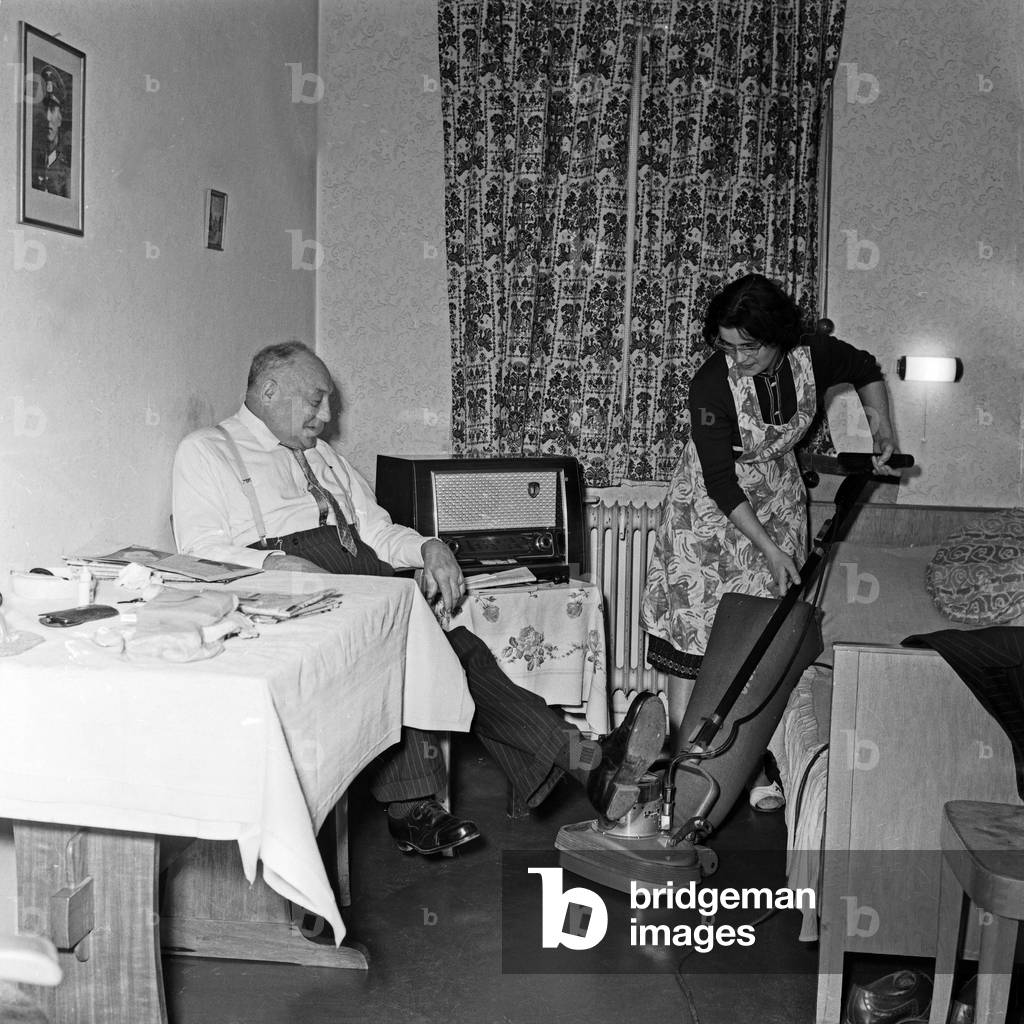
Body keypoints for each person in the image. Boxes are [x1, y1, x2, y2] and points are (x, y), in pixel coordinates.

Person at [173, 340, 666, 857]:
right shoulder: (208, 451)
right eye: (315, 400)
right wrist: (276, 565)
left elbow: (378, 532)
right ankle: (467, 793)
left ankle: (584, 766)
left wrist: (429, 546)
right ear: (269, 389)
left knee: (459, 655)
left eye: (328, 404)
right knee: (421, 660)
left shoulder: (326, 459)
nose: (325, 415)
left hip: (372, 585)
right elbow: (200, 551)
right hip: (298, 600)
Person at [640, 273, 901, 810]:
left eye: (748, 346)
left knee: (764, 629)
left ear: (780, 335)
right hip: (709, 515)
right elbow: (719, 480)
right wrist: (770, 548)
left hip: (777, 501)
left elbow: (866, 369)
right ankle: (686, 771)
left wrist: (880, 428)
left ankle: (751, 764)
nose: (736, 358)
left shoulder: (815, 354)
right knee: (695, 637)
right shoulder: (711, 384)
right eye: (726, 346)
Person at [33, 66, 71, 197]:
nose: (48, 117)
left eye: (53, 109)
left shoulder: (67, 170)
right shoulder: (31, 161)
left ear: (60, 118)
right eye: (45, 109)